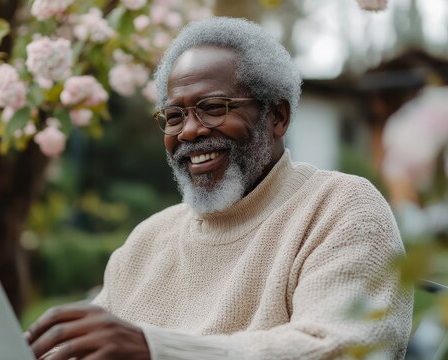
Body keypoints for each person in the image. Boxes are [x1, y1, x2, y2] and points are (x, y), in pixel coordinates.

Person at [24, 17, 413, 359]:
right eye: (174, 116)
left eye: (213, 107)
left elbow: (344, 349)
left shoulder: (340, 208)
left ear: (277, 116)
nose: (189, 131)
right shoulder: (147, 241)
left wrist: (156, 350)